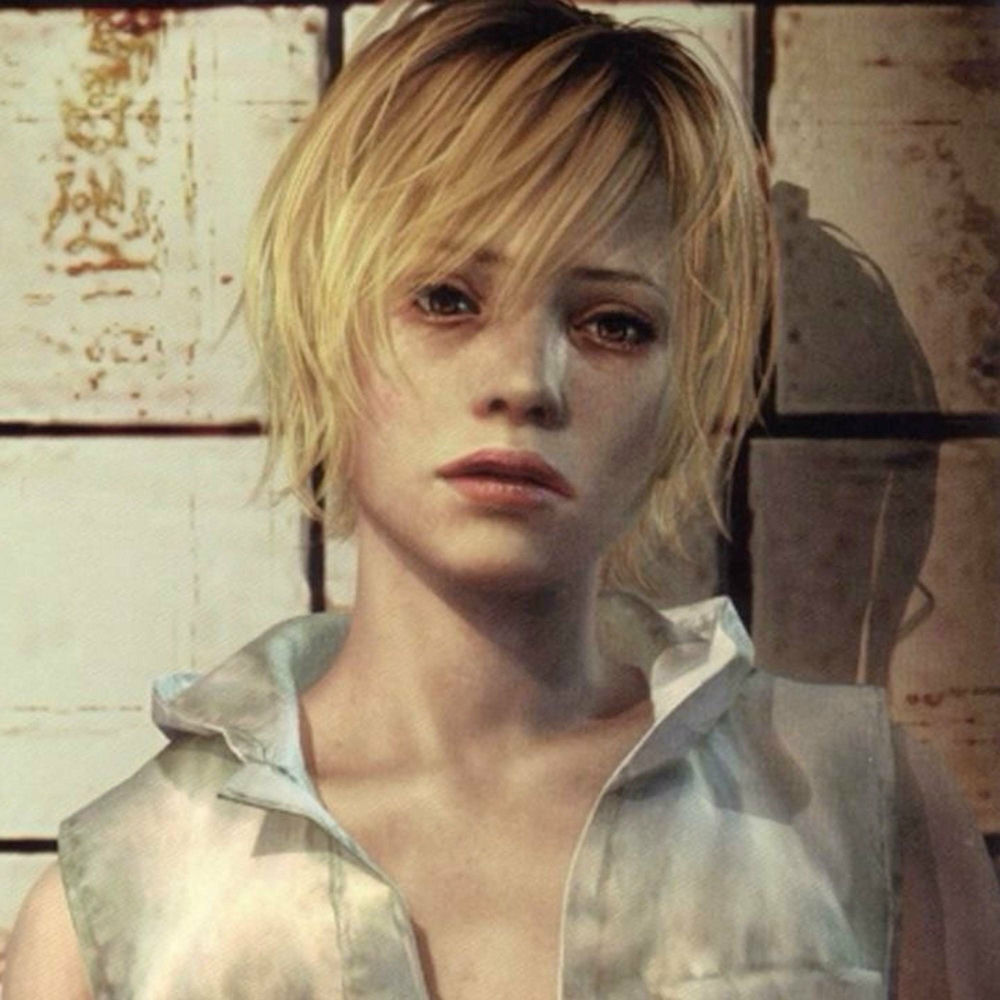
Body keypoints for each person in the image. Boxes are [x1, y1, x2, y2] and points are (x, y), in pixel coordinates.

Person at [6, 1, 1000, 998]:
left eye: (615, 324)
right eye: (446, 299)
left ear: (683, 385)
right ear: (322, 327)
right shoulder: (127, 904)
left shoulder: (868, 819)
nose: (527, 381)